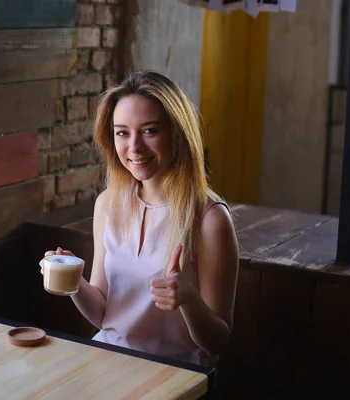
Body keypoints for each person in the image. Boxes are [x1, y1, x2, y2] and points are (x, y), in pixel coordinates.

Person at [42, 70, 239, 367]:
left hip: (175, 372)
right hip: (109, 358)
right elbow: (103, 314)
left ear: (177, 132)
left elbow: (218, 342)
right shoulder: (107, 203)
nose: (134, 147)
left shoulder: (210, 219)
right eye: (122, 132)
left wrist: (187, 299)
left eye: (149, 130)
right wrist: (74, 281)